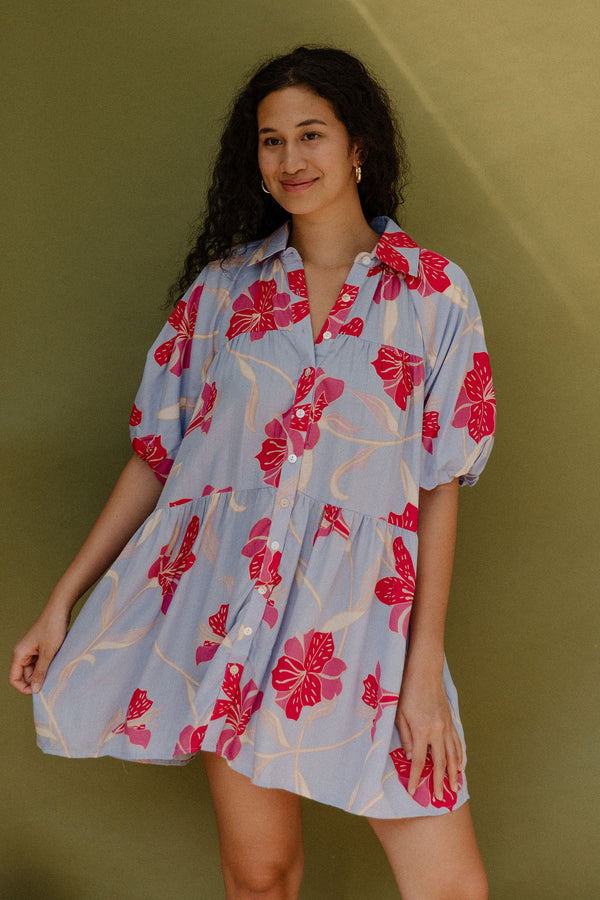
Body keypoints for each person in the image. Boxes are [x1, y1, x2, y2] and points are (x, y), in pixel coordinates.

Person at [10, 46, 495, 899]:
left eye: (311, 134)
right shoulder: (223, 293)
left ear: (359, 147)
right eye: (270, 142)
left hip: (369, 625)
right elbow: (157, 460)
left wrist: (423, 672)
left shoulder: (431, 294)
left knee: (450, 889)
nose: (290, 159)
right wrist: (63, 599)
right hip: (235, 614)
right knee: (261, 876)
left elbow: (438, 485)